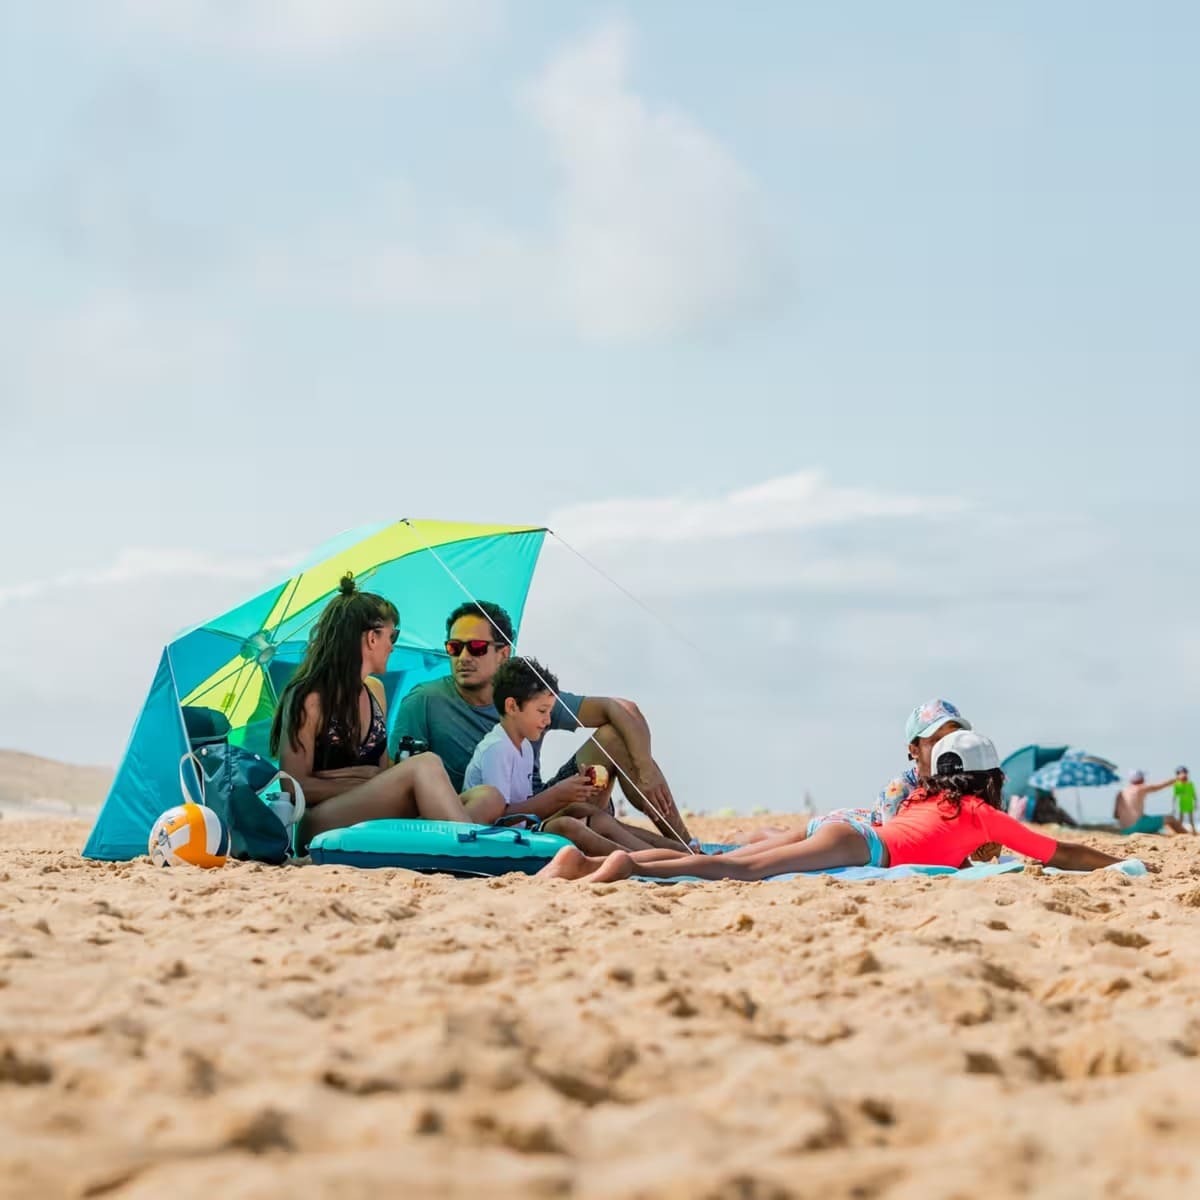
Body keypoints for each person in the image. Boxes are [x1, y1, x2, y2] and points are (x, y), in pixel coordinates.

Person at [539, 731, 1129, 882]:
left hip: (853, 833)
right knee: (738, 868)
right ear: (990, 780)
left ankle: (590, 864)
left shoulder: (926, 793)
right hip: (858, 843)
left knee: (738, 863)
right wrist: (1119, 863)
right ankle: (622, 865)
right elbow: (1059, 852)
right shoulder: (981, 815)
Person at [392, 600, 694, 844]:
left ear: (503, 653)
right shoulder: (424, 701)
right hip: (483, 816)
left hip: (540, 803)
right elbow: (399, 777)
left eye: (477, 647)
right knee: (597, 823)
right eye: (454, 647)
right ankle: (671, 853)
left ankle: (683, 842)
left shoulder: (527, 695)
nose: (463, 657)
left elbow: (621, 708)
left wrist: (645, 769)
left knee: (615, 738)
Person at [269, 575, 505, 849]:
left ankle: (439, 841)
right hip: (320, 821)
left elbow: (381, 775)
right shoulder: (309, 697)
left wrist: (373, 777)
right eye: (392, 636)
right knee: (426, 764)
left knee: (489, 797)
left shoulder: (374, 691)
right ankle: (466, 848)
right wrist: (365, 780)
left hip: (370, 815)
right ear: (372, 638)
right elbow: (292, 786)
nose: (393, 646)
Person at [462, 655, 689, 855]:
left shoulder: (525, 747)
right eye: (542, 711)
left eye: (549, 712)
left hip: (525, 828)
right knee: (572, 825)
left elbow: (524, 806)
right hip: (502, 836)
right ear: (512, 707)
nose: (547, 720)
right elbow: (500, 818)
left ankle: (679, 851)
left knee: (588, 811)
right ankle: (646, 860)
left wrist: (576, 790)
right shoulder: (497, 749)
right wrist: (558, 795)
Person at [874, 698, 971, 824]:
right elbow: (892, 836)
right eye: (936, 740)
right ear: (914, 750)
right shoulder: (900, 791)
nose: (947, 745)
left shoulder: (966, 781)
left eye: (952, 738)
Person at [1113, 770, 1186, 835]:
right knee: (1171, 819)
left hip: (1124, 830)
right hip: (1136, 828)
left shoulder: (1121, 792)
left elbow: (1116, 815)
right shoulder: (1139, 788)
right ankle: (1187, 835)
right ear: (1141, 779)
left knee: (1147, 819)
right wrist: (1177, 778)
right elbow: (1159, 786)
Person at [1174, 766, 1197, 834]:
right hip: (1182, 804)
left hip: (1189, 803)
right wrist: (1173, 807)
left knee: (1191, 820)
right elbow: (1175, 795)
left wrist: (1196, 803)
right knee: (1181, 819)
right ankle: (1179, 831)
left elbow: (1194, 794)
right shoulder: (1177, 784)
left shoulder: (1190, 784)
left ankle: (1194, 831)